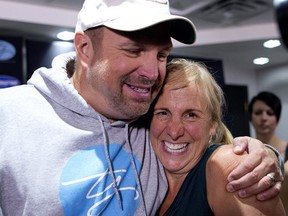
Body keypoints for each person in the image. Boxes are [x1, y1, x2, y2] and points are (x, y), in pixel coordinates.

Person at [0, 0, 284, 215]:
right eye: (133, 50)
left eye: (161, 54)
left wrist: (265, 155)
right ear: (85, 48)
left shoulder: (146, 115)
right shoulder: (9, 115)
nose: (152, 73)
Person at [149, 58, 286, 216]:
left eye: (191, 115)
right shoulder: (145, 177)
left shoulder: (225, 165)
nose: (174, 132)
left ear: (213, 124)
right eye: (163, 113)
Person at [249, 91, 288, 161]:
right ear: (250, 118)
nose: (264, 118)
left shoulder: (286, 149)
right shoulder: (245, 149)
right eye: (258, 113)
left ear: (278, 119)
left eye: (270, 113)